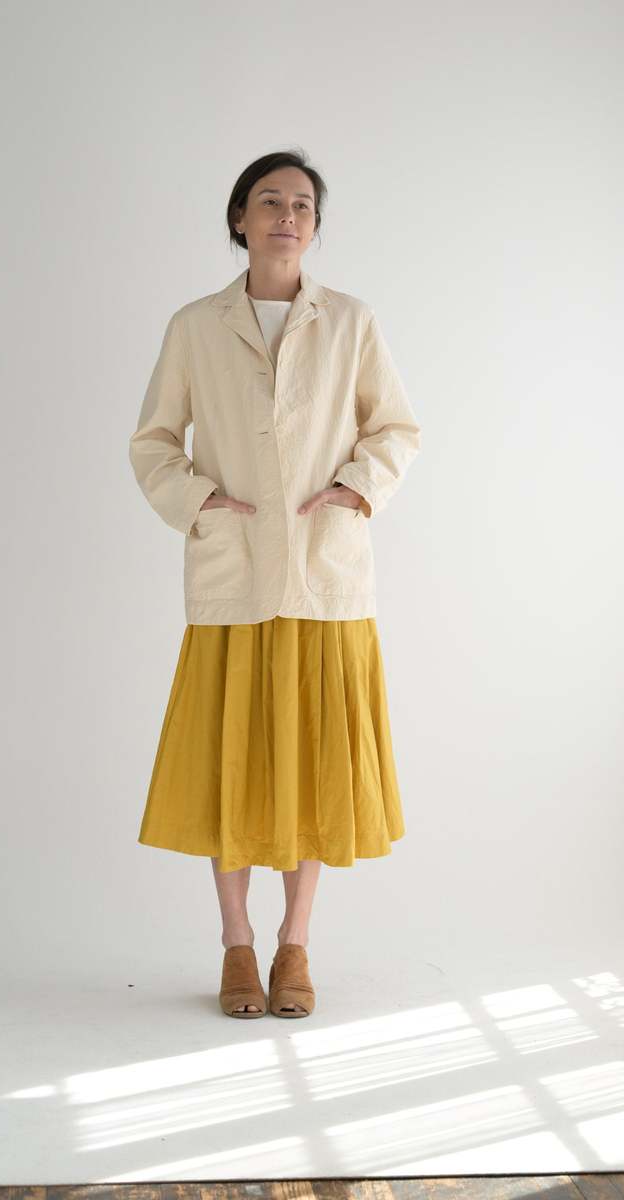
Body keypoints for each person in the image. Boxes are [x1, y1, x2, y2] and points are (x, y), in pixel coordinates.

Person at [128, 148, 421, 1019]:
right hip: (235, 572)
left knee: (312, 764)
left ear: (315, 227)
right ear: (240, 219)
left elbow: (396, 428)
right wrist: (199, 501)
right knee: (231, 762)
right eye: (269, 201)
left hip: (324, 574)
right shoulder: (195, 326)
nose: (287, 216)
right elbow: (153, 441)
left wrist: (356, 488)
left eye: (302, 205)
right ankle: (236, 943)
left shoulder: (351, 321)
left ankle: (294, 943)